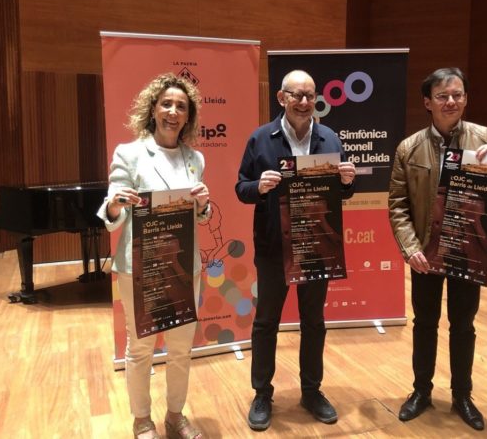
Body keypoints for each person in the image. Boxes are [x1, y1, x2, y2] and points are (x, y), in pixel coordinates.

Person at [388, 67, 487, 431]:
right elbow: (397, 205)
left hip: (467, 250)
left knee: (464, 324)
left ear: (465, 99)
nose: (451, 102)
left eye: (457, 95)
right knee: (424, 323)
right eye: (443, 96)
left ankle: (463, 395)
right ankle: (421, 391)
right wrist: (410, 248)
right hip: (425, 253)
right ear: (427, 102)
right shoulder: (408, 148)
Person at [235, 70, 356, 431]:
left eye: (310, 96)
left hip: (317, 246)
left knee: (314, 321)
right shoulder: (260, 138)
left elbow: (342, 192)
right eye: (297, 95)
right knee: (266, 322)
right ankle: (262, 393)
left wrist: (348, 182)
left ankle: (311, 391)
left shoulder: (330, 138)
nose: (304, 102)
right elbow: (241, 188)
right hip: (273, 247)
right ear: (281, 98)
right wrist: (258, 186)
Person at [97, 73, 210, 439]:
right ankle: (142, 421)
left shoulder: (195, 159)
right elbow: (114, 212)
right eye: (167, 104)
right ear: (153, 109)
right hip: (141, 267)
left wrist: (204, 205)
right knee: (141, 347)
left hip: (182, 266)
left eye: (181, 106)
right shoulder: (129, 154)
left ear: (188, 116)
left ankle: (175, 417)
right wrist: (115, 204)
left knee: (180, 348)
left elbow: (199, 216)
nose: (173, 112)